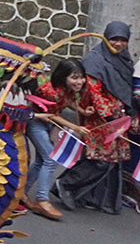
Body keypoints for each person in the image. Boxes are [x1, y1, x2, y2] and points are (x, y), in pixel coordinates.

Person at [53, 22, 137, 214]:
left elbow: (126, 89)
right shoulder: (95, 60)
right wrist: (107, 116)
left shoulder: (123, 60)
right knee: (99, 159)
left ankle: (93, 198)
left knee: (111, 161)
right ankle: (65, 184)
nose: (118, 44)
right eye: (114, 39)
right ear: (106, 38)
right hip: (99, 119)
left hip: (117, 120)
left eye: (123, 40)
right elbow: (93, 91)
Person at [26, 58, 90, 221]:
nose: (79, 81)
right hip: (36, 122)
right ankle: (42, 199)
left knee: (42, 159)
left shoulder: (67, 90)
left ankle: (20, 192)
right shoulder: (51, 91)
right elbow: (54, 115)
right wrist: (75, 127)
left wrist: (82, 111)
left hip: (47, 123)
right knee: (50, 158)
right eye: (74, 77)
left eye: (81, 77)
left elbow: (67, 102)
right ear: (63, 77)